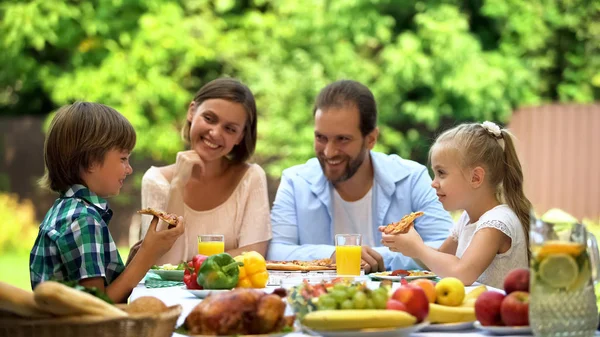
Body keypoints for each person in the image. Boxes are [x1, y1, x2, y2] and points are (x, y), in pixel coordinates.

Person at [268, 80, 453, 272]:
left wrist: (378, 257)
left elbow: (446, 248)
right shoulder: (295, 181)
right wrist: (333, 256)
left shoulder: (412, 178)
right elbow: (275, 251)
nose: (329, 152)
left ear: (371, 139)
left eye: (343, 139)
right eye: (321, 138)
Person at [29, 102, 184, 303]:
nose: (128, 169)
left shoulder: (67, 209)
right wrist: (148, 255)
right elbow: (96, 309)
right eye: (123, 159)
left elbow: (99, 292)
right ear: (92, 161)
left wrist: (134, 261)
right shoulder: (82, 219)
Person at [381, 121, 531, 288]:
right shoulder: (468, 218)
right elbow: (439, 258)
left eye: (441, 173)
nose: (433, 183)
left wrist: (418, 248)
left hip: (497, 313)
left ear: (476, 178)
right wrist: (406, 244)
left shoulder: (497, 222)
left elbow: (462, 273)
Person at [138, 78, 271, 264]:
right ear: (192, 111)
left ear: (240, 136)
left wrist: (194, 264)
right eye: (209, 118)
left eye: (230, 129)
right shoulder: (155, 180)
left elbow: (254, 255)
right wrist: (177, 186)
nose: (215, 133)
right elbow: (164, 264)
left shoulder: (251, 177)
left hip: (232, 291)